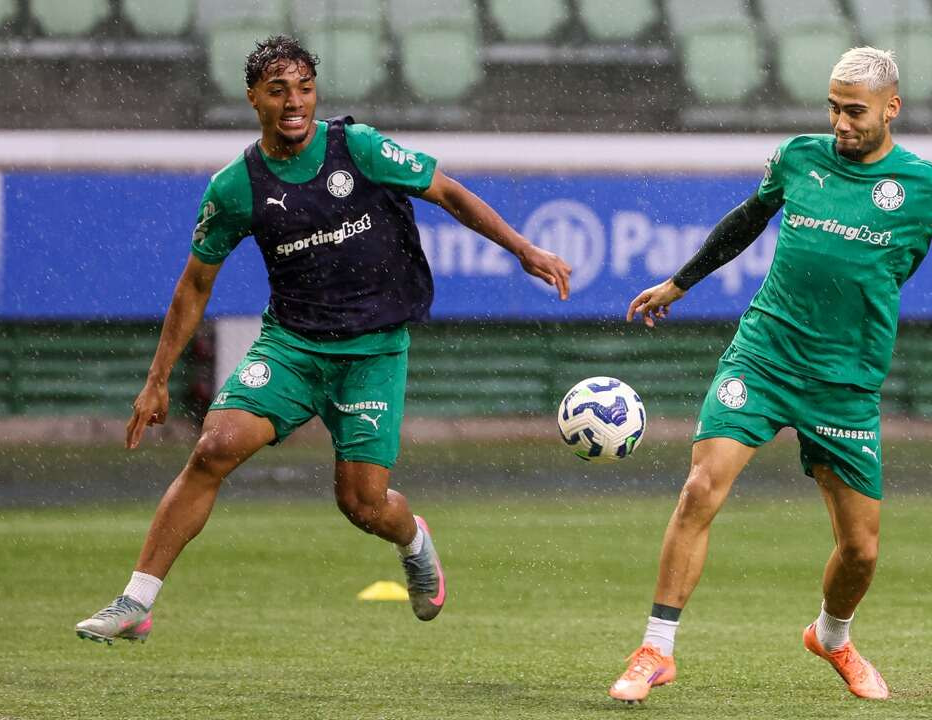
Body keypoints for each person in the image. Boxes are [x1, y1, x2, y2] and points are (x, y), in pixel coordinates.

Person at [608, 47, 932, 702]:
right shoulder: (798, 158)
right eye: (833, 108)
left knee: (860, 553)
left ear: (892, 109)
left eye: (855, 111)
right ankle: (656, 649)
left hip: (845, 384)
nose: (840, 124)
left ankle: (831, 636)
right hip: (764, 356)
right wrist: (680, 281)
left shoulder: (924, 187)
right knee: (700, 487)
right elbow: (748, 218)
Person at [74, 35, 571, 644]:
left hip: (373, 353)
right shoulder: (235, 187)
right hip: (292, 346)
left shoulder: (358, 149)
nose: (294, 102)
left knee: (363, 504)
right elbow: (194, 286)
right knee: (213, 447)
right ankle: (136, 602)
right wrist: (155, 382)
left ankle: (413, 539)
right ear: (253, 97)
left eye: (304, 89)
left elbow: (448, 192)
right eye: (278, 90)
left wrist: (523, 248)